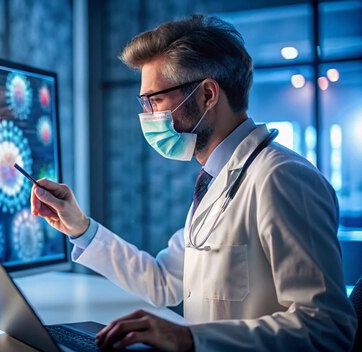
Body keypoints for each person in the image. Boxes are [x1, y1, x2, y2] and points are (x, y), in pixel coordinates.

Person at [30, 14, 357, 351]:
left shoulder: (282, 178)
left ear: (207, 95)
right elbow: (163, 281)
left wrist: (190, 338)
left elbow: (328, 328)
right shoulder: (215, 180)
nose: (146, 115)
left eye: (154, 100)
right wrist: (80, 227)